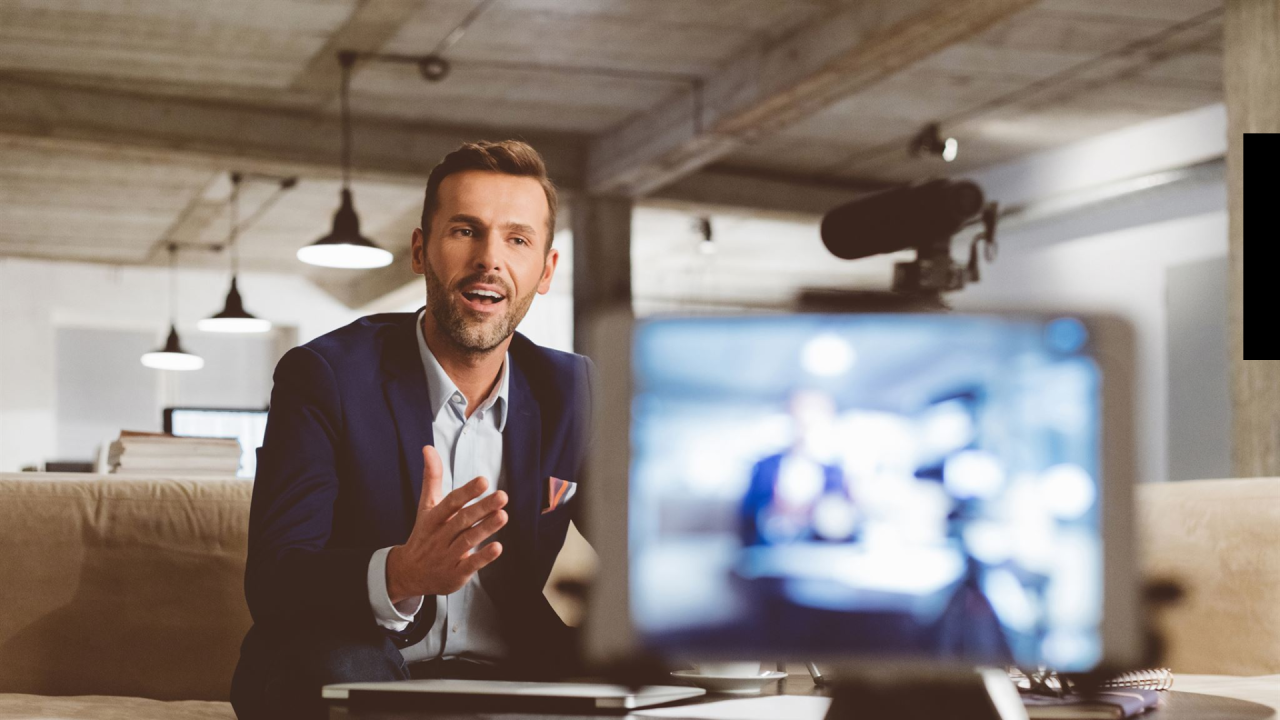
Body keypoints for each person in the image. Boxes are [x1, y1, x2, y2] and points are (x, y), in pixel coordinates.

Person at [230, 141, 593, 720]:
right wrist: (400, 573)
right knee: (341, 675)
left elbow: (633, 547)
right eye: (465, 231)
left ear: (545, 270)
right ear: (422, 251)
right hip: (354, 661)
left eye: (517, 240)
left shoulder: (573, 390)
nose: (489, 260)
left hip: (515, 675)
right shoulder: (324, 376)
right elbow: (275, 580)